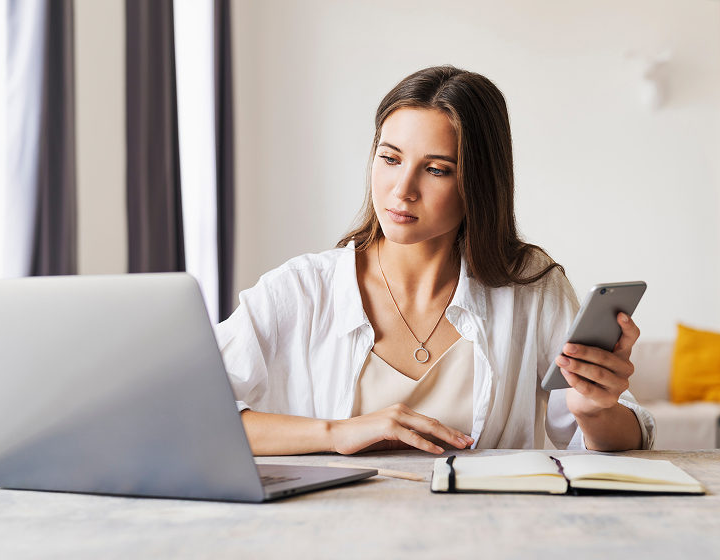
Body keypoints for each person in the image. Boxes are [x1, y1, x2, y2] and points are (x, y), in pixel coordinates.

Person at [216, 65, 656, 456]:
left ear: (479, 183)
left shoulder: (531, 287)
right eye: (389, 158)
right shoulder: (300, 290)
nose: (401, 188)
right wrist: (335, 433)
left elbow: (622, 439)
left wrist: (593, 411)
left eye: (436, 169)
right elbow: (187, 415)